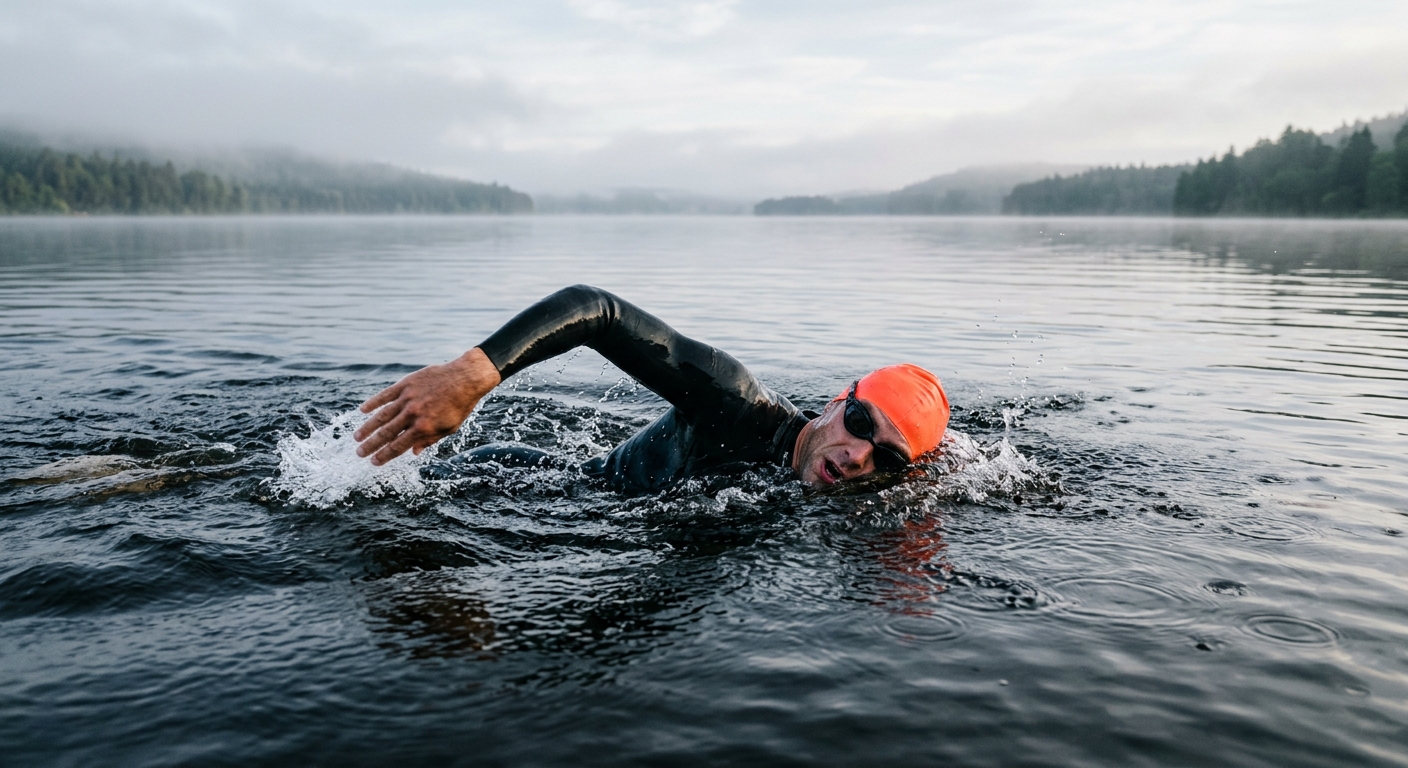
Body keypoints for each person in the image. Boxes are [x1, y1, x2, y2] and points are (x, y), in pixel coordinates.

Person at [354, 285, 950, 493]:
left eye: (888, 458)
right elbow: (597, 311)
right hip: (530, 486)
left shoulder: (860, 490)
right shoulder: (735, 402)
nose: (856, 455)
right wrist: (470, 374)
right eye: (862, 424)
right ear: (835, 402)